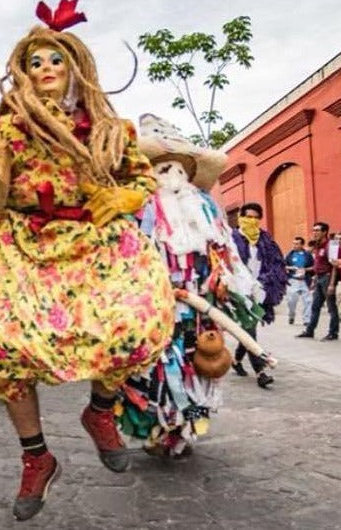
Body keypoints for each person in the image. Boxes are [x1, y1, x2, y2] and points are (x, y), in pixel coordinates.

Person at [0, 0, 175, 521]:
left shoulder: (113, 130)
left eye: (55, 60)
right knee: (1, 345)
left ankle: (100, 413)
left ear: (75, 68)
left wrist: (122, 197)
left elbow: (141, 178)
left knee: (134, 325)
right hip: (20, 246)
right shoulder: (4, 129)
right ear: (23, 73)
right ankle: (36, 457)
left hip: (96, 243)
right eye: (34, 62)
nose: (45, 69)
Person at [117, 114, 267, 456]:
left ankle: (184, 429)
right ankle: (155, 431)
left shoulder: (205, 212)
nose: (173, 178)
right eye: (163, 169)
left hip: (198, 310)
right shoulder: (138, 212)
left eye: (179, 170)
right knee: (151, 370)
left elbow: (222, 255)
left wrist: (223, 286)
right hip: (152, 309)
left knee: (194, 365)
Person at [230, 203, 286, 388]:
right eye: (248, 217)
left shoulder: (265, 240)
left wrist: (267, 281)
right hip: (239, 290)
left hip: (259, 289)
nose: (252, 221)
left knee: (248, 329)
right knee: (250, 327)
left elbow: (277, 263)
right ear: (241, 218)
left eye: (256, 217)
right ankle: (260, 372)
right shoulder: (231, 239)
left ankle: (237, 361)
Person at [296, 222, 341, 341]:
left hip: (328, 277)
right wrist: (314, 279)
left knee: (331, 307)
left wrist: (332, 284)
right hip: (319, 278)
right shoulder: (318, 245)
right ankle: (310, 330)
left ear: (324, 232)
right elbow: (318, 264)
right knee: (315, 306)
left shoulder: (331, 245)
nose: (314, 233)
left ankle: (333, 332)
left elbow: (335, 266)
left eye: (317, 230)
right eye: (313, 230)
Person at [284, 236, 313, 326]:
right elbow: (283, 266)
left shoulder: (308, 255)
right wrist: (291, 267)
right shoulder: (290, 255)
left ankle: (306, 319)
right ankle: (291, 315)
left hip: (305, 280)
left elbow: (313, 266)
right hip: (293, 280)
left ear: (302, 245)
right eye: (294, 243)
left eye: (297, 244)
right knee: (291, 301)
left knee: (308, 301)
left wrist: (305, 270)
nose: (294, 245)